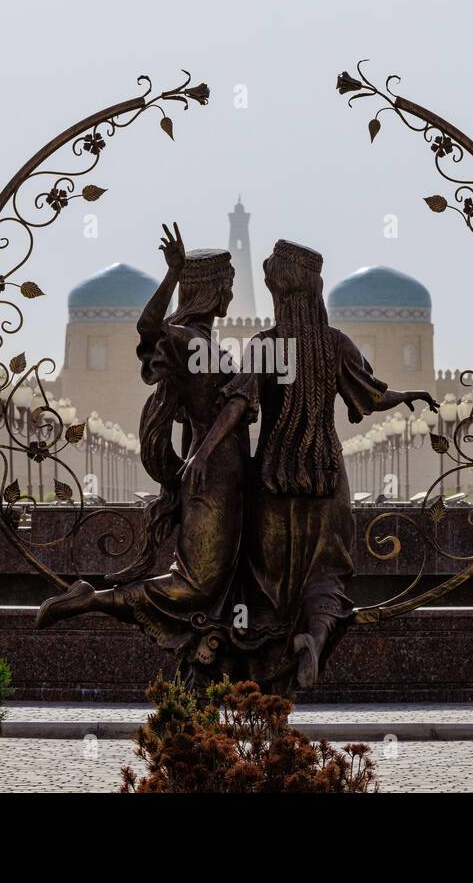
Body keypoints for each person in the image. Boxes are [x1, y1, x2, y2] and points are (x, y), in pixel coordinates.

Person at [180, 240, 438, 690]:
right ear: (315, 291)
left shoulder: (265, 346)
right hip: (325, 479)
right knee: (328, 575)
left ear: (279, 292)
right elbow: (373, 396)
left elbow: (238, 405)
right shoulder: (335, 344)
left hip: (272, 481)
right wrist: (407, 396)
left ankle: (260, 687)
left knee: (264, 586)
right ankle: (314, 639)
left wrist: (203, 451)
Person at [35, 225, 263, 680]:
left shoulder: (208, 343)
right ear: (211, 290)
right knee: (197, 585)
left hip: (229, 474)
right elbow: (149, 328)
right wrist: (172, 274)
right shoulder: (187, 340)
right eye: (228, 287)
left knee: (223, 578)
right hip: (212, 474)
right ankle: (90, 599)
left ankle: (214, 656)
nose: (231, 297)